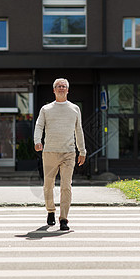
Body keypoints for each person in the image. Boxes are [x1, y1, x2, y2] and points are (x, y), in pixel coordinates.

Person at [34, 78, 86, 231]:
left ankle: (64, 219)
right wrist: (37, 141)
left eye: (64, 86)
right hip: (50, 152)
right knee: (48, 185)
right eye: (58, 86)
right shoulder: (46, 109)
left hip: (69, 153)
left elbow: (79, 131)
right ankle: (50, 210)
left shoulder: (75, 109)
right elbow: (39, 126)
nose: (61, 88)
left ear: (68, 90)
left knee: (66, 186)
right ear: (54, 90)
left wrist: (82, 151)